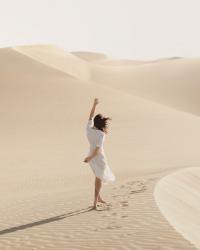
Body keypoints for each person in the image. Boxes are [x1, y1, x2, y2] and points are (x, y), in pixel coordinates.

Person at [83, 98, 115, 210]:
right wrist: (89, 157)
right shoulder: (101, 134)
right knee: (99, 179)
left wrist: (94, 105)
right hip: (98, 158)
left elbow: (90, 116)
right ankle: (95, 202)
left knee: (97, 177)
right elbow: (97, 150)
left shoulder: (88, 128)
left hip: (91, 158)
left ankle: (99, 199)